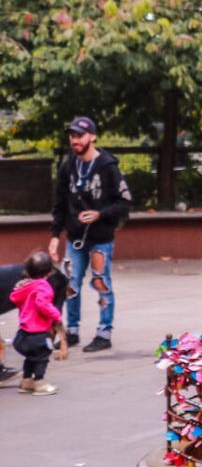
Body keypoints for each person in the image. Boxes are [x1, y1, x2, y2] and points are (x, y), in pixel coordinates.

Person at [48, 117, 131, 352]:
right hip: (75, 238)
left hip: (100, 239)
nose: (75, 140)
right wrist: (55, 235)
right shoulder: (68, 166)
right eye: (72, 135)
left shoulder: (107, 166)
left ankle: (104, 333)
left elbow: (124, 202)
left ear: (92, 137)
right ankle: (71, 331)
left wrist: (100, 214)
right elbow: (60, 203)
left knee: (101, 282)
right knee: (69, 284)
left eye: (80, 135)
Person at [10, 252, 64, 395]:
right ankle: (39, 383)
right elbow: (42, 304)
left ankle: (26, 381)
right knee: (42, 358)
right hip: (38, 333)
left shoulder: (25, 285)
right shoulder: (43, 286)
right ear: (49, 272)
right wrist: (56, 315)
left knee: (31, 357)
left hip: (23, 333)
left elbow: (14, 298)